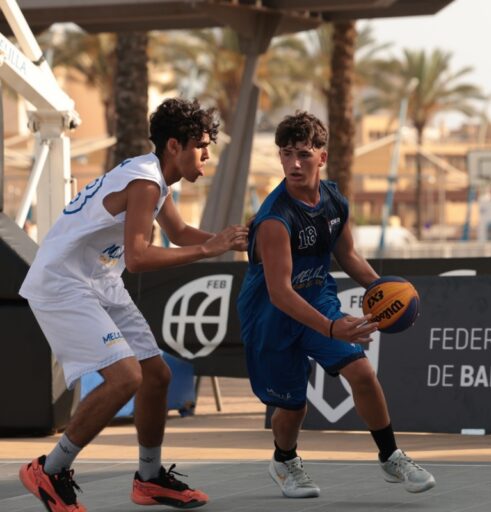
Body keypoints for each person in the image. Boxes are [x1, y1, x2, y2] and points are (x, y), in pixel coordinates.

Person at [18, 98, 248, 512]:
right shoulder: (145, 182)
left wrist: (226, 240)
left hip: (99, 279)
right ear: (174, 145)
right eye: (202, 146)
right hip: (63, 283)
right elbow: (139, 257)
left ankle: (149, 478)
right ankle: (49, 469)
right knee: (126, 377)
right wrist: (208, 251)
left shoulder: (154, 177)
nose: (208, 155)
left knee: (155, 375)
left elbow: (177, 232)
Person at [237, 111, 435, 499]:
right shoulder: (274, 220)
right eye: (287, 154)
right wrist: (331, 327)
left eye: (304, 155)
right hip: (270, 317)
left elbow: (348, 256)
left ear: (321, 158)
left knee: (361, 372)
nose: (294, 163)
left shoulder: (333, 201)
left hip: (318, 300)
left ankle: (391, 456)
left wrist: (385, 291)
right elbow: (279, 292)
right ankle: (284, 460)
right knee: (293, 407)